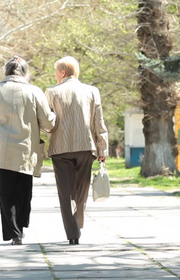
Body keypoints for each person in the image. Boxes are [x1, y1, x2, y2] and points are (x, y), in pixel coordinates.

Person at [0, 55, 56, 245]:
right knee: (24, 191)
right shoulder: (34, 92)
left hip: (1, 149)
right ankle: (20, 226)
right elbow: (47, 121)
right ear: (25, 73)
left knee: (6, 192)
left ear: (5, 72)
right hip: (26, 148)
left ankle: (14, 232)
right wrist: (55, 117)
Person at [45, 56, 108, 245]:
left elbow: (48, 123)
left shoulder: (51, 92)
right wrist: (102, 148)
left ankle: (72, 233)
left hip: (60, 148)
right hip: (85, 147)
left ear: (62, 72)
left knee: (66, 192)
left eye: (56, 72)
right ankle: (77, 224)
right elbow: (99, 122)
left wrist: (45, 131)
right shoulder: (92, 91)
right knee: (81, 190)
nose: (55, 75)